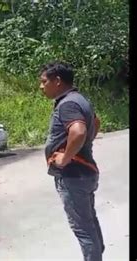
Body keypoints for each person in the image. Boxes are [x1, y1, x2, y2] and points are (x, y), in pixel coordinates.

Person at [40, 61, 103, 261]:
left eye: (43, 81)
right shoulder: (80, 99)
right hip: (85, 173)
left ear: (57, 81)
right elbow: (96, 121)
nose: (41, 87)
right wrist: (83, 146)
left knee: (83, 229)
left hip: (73, 176)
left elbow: (79, 130)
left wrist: (65, 158)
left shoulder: (67, 104)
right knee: (89, 223)